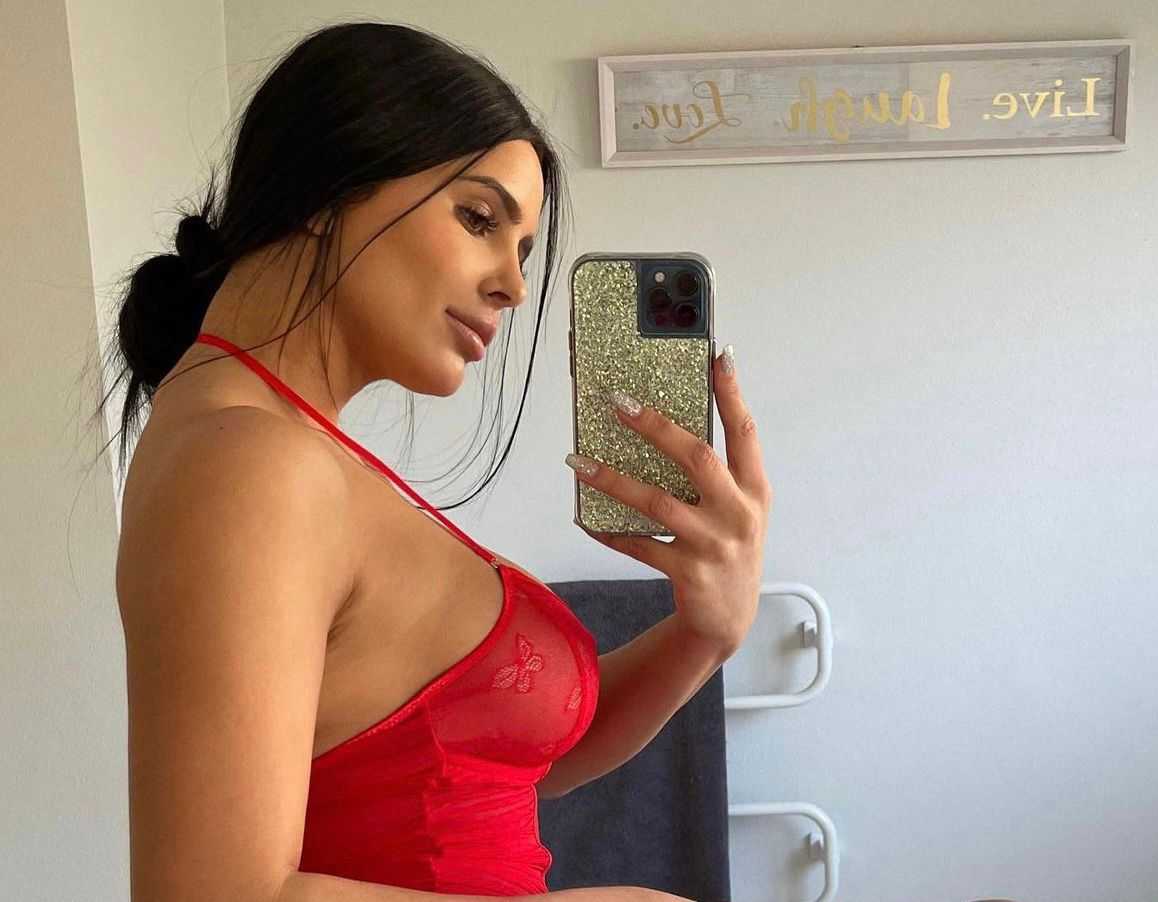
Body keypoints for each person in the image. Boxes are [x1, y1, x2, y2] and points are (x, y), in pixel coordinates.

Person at [101, 20, 771, 902]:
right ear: (325, 187)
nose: (513, 286)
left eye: (522, 251)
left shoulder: (284, 447)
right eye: (479, 219)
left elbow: (497, 765)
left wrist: (703, 634)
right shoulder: (251, 464)